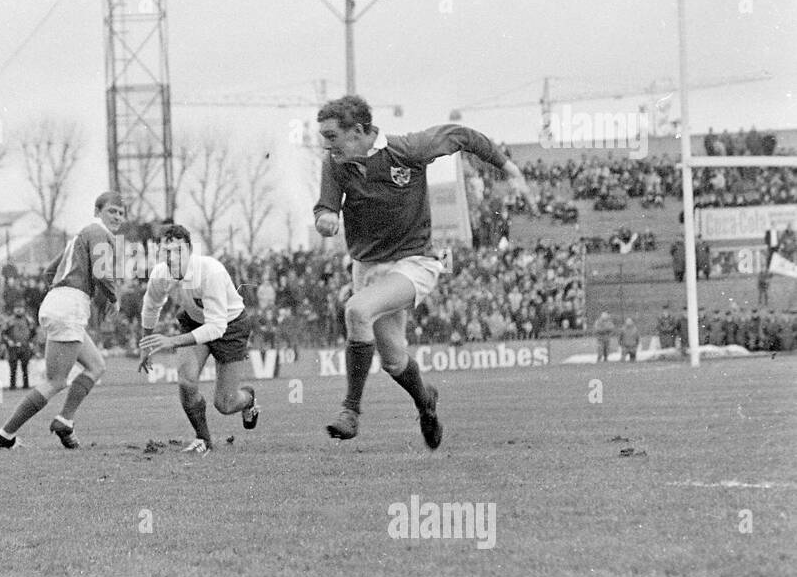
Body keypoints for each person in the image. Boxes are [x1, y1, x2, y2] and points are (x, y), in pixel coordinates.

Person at [311, 96, 530, 447]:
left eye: (332, 136)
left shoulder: (408, 150)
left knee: (356, 310)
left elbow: (461, 135)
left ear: (358, 131)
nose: (326, 143)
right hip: (367, 268)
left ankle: (350, 411)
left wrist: (508, 167)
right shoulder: (337, 162)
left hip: (414, 263)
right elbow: (326, 205)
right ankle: (426, 402)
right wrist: (324, 219)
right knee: (394, 360)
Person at [0, 190, 126, 450]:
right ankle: (5, 435)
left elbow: (49, 272)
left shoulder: (80, 235)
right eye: (112, 211)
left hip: (61, 303)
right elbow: (101, 273)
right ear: (97, 211)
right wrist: (114, 298)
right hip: (70, 305)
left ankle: (64, 420)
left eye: (121, 213)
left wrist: (60, 294)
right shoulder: (98, 232)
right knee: (55, 381)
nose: (117, 217)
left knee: (96, 365)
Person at [137, 224, 259, 454]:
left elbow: (216, 327)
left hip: (229, 326)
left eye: (177, 251)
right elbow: (150, 307)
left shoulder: (210, 271)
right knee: (186, 380)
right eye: (166, 252)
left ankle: (248, 399)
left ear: (190, 250)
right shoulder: (160, 274)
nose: (171, 258)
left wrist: (172, 341)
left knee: (225, 404)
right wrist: (146, 345)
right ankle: (203, 440)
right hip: (195, 321)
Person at [3, 306, 35, 390]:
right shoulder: (9, 320)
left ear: (24, 309)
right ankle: (12, 386)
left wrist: (31, 342)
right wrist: (8, 341)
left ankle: (26, 385)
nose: (18, 310)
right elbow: (4, 334)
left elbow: (33, 333)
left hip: (25, 346)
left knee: (25, 367)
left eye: (20, 308)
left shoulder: (29, 320)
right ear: (13, 310)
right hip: (13, 347)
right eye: (17, 308)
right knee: (13, 368)